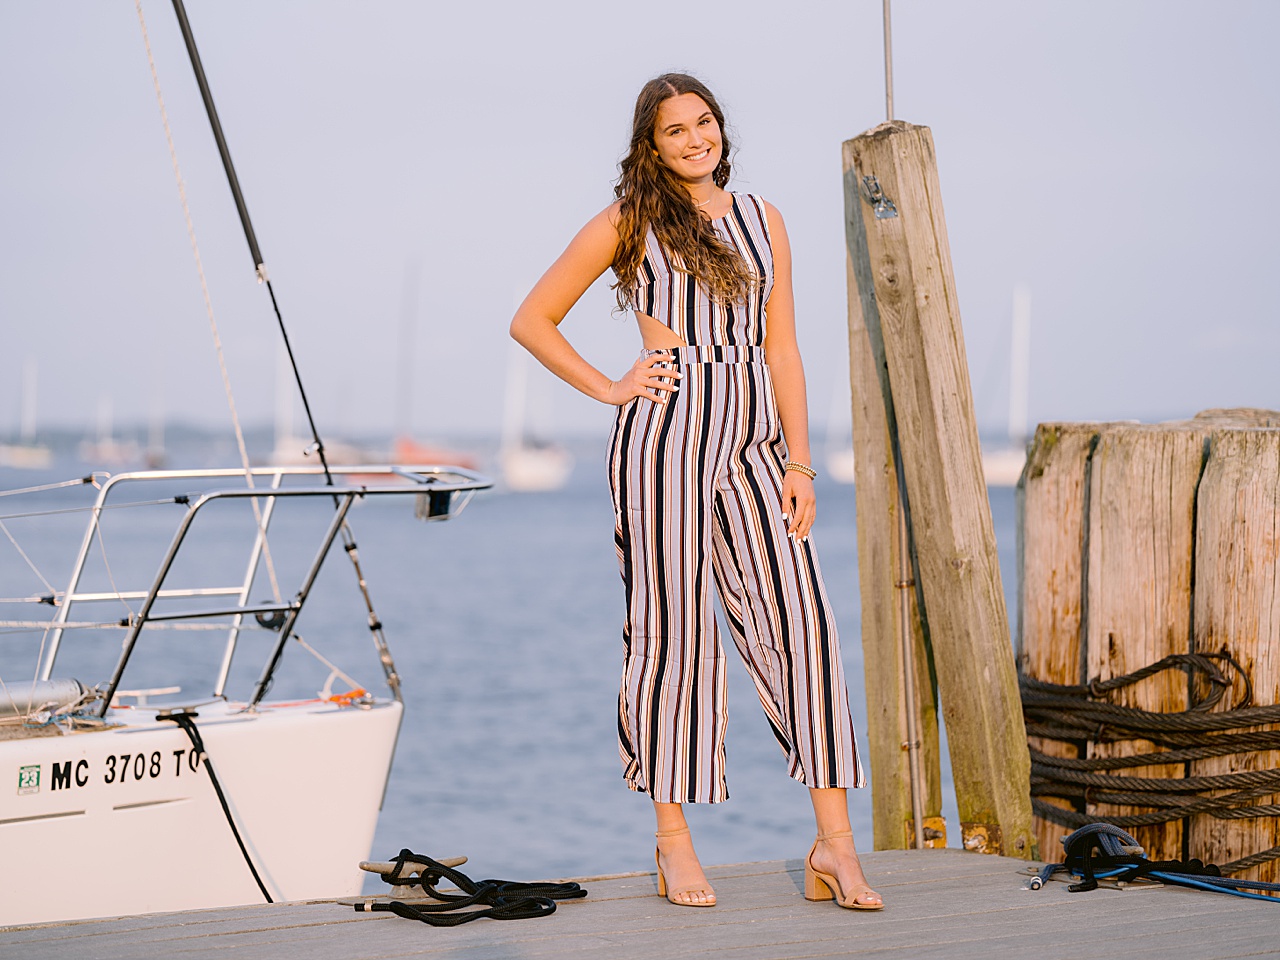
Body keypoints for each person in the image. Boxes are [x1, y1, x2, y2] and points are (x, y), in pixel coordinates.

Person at [509, 73, 882, 911]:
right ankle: (673, 843)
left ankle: (835, 845)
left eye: (704, 122)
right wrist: (610, 387)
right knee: (673, 634)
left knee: (803, 625)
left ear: (720, 129)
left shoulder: (764, 219)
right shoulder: (627, 222)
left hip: (756, 438)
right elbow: (533, 318)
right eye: (674, 129)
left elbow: (782, 351)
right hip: (667, 434)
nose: (694, 138)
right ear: (651, 143)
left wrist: (799, 462)